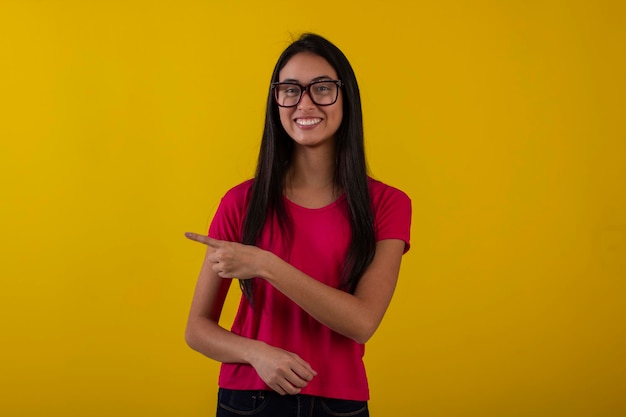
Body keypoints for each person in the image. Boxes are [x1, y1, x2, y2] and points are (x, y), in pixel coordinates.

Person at [184, 33, 412, 417]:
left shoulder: (387, 204)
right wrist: (255, 352)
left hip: (340, 403)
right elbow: (197, 328)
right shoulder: (241, 201)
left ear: (346, 98)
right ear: (276, 101)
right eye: (290, 89)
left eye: (322, 88)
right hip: (248, 400)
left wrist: (264, 264)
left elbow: (362, 322)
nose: (304, 103)